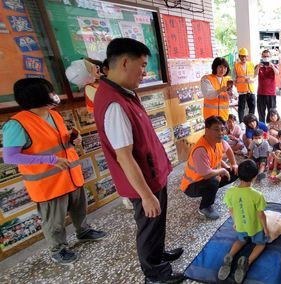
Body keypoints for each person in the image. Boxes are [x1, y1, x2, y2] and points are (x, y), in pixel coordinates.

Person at [94, 38, 183, 283]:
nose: (145, 72)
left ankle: (158, 254)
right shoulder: (114, 104)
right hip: (143, 181)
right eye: (142, 65)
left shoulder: (124, 93)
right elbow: (124, 156)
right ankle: (155, 275)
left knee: (156, 224)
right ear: (124, 62)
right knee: (148, 227)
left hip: (151, 174)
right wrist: (145, 195)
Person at [2, 78, 106, 265]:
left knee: (79, 210)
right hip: (48, 183)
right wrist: (48, 160)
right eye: (50, 92)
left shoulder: (54, 115)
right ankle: (58, 250)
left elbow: (61, 141)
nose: (54, 95)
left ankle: (83, 231)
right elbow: (10, 157)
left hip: (71, 176)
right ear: (37, 96)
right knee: (54, 222)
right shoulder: (17, 124)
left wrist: (74, 140)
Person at [218, 160, 269, 284]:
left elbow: (231, 210)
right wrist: (266, 229)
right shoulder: (257, 195)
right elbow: (261, 214)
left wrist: (235, 223)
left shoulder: (230, 192)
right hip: (255, 228)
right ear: (255, 177)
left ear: (238, 174)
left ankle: (230, 256)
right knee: (261, 244)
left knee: (241, 240)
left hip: (240, 226)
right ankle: (247, 262)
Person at [180, 116, 239, 220]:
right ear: (207, 130)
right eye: (216, 129)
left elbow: (229, 150)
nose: (220, 132)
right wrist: (223, 170)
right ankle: (205, 207)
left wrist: (233, 164)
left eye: (222, 129)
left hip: (209, 176)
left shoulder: (219, 141)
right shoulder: (200, 149)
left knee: (235, 171)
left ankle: (210, 191)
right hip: (191, 185)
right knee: (213, 182)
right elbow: (206, 174)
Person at [233, 48, 257, 122]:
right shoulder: (236, 66)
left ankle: (251, 121)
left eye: (245, 56)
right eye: (242, 56)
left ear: (247, 57)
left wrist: (252, 80)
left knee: (252, 106)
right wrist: (235, 90)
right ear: (239, 56)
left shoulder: (251, 64)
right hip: (242, 91)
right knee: (241, 108)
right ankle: (241, 123)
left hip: (251, 90)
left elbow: (255, 76)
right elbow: (234, 78)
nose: (243, 58)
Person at [255, 49, 279, 122]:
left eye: (267, 56)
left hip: (271, 93)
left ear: (270, 57)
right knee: (261, 113)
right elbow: (255, 74)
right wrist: (258, 67)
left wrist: (272, 66)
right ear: (262, 57)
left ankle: (271, 127)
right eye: (264, 56)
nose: (266, 57)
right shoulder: (258, 66)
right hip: (261, 93)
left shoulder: (274, 65)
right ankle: (262, 129)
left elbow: (277, 73)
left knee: (272, 113)